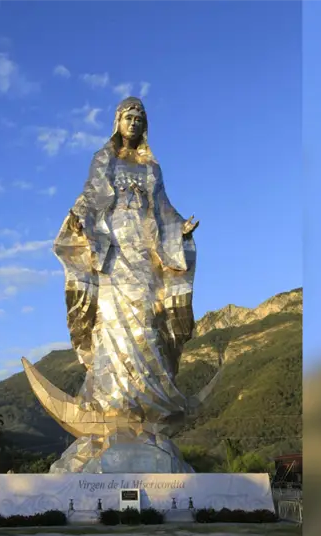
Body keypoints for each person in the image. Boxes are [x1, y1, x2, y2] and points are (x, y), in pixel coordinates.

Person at [53, 97, 200, 423]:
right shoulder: (103, 160)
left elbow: (162, 209)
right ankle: (110, 402)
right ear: (117, 122)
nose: (133, 122)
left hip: (145, 253)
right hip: (112, 253)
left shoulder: (152, 168)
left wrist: (180, 229)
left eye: (139, 118)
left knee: (148, 316)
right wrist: (79, 218)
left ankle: (147, 403)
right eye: (128, 117)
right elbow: (90, 198)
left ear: (144, 125)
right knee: (111, 321)